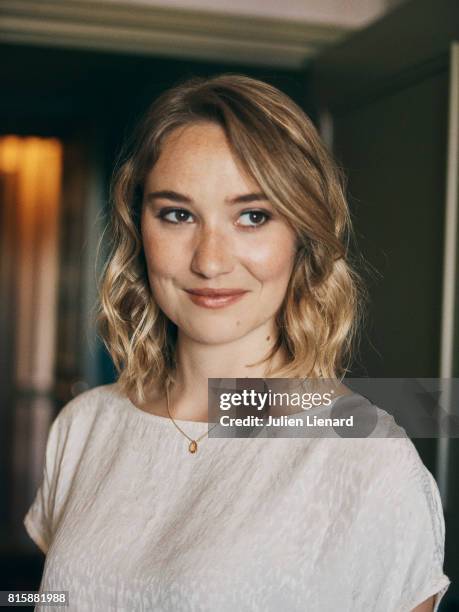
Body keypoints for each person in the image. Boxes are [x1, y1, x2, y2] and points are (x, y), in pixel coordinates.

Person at [24, 74, 450, 611]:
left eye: (253, 216)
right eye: (178, 214)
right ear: (139, 228)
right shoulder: (85, 425)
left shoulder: (364, 458)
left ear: (303, 237)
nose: (210, 260)